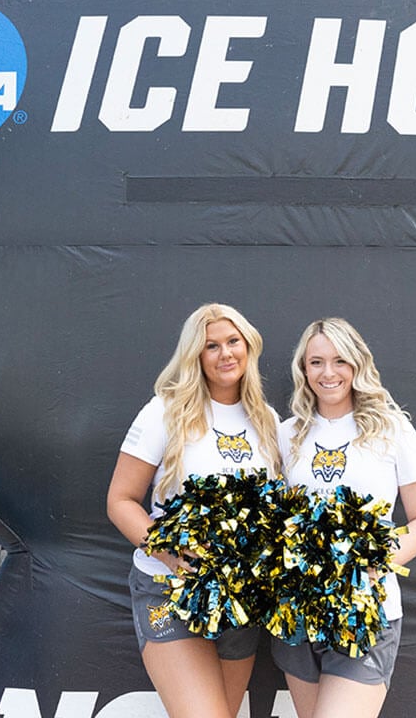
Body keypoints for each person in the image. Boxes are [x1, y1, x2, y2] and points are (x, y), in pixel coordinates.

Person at [106, 303, 281, 718]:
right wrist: (170, 553)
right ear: (195, 356)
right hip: (169, 590)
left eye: (233, 342)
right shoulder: (164, 412)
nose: (225, 354)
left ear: (249, 345)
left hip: (241, 601)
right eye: (211, 346)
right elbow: (120, 500)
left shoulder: (269, 421)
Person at [273, 317, 416, 718]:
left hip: (367, 613)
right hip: (297, 614)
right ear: (303, 369)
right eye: (316, 362)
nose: (328, 373)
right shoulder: (285, 434)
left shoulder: (393, 429)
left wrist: (374, 566)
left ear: (357, 364)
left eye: (339, 361)